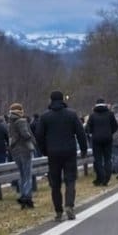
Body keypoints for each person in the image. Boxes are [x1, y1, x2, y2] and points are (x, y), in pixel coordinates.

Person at [37, 90, 88, 221]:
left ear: (51, 100)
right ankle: (69, 205)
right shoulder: (71, 115)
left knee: (55, 183)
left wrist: (44, 150)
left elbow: (39, 136)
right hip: (69, 151)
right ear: (62, 100)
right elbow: (81, 133)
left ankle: (58, 211)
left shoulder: (45, 117)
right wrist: (83, 149)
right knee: (70, 179)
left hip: (53, 153)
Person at [6, 102, 37, 208]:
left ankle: (23, 194)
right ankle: (27, 197)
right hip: (24, 149)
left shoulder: (10, 123)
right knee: (28, 174)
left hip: (15, 151)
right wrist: (32, 140)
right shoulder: (21, 121)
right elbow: (25, 134)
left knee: (22, 174)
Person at [85, 99, 118, 186]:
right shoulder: (110, 114)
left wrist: (92, 133)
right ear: (105, 104)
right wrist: (110, 132)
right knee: (108, 158)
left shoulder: (92, 115)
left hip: (96, 139)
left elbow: (88, 128)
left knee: (98, 159)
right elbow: (115, 126)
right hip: (108, 138)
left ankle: (101, 176)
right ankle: (107, 177)